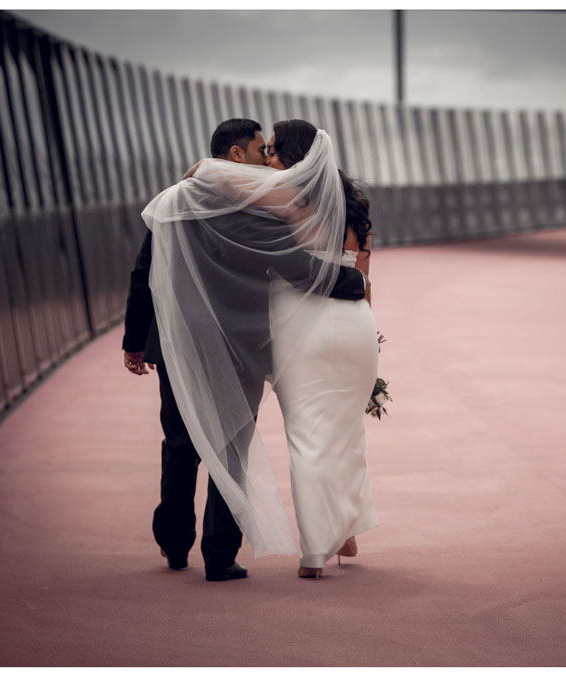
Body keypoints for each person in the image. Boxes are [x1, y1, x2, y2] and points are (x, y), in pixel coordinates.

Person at [123, 118, 368, 582]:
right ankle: (219, 555)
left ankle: (174, 544)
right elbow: (295, 267)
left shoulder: (174, 200)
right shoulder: (253, 210)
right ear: (236, 157)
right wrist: (355, 280)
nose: (267, 163)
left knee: (179, 443)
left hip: (178, 340)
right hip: (240, 342)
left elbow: (143, 272)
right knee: (232, 443)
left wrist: (135, 341)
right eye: (261, 152)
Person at [264, 120, 379, 579]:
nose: (267, 159)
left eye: (273, 150)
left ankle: (314, 550)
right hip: (355, 325)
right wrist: (374, 337)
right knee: (346, 434)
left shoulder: (283, 199)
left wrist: (199, 168)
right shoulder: (355, 206)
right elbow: (367, 277)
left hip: (302, 325)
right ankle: (343, 531)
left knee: (307, 437)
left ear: (292, 156)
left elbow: (220, 182)